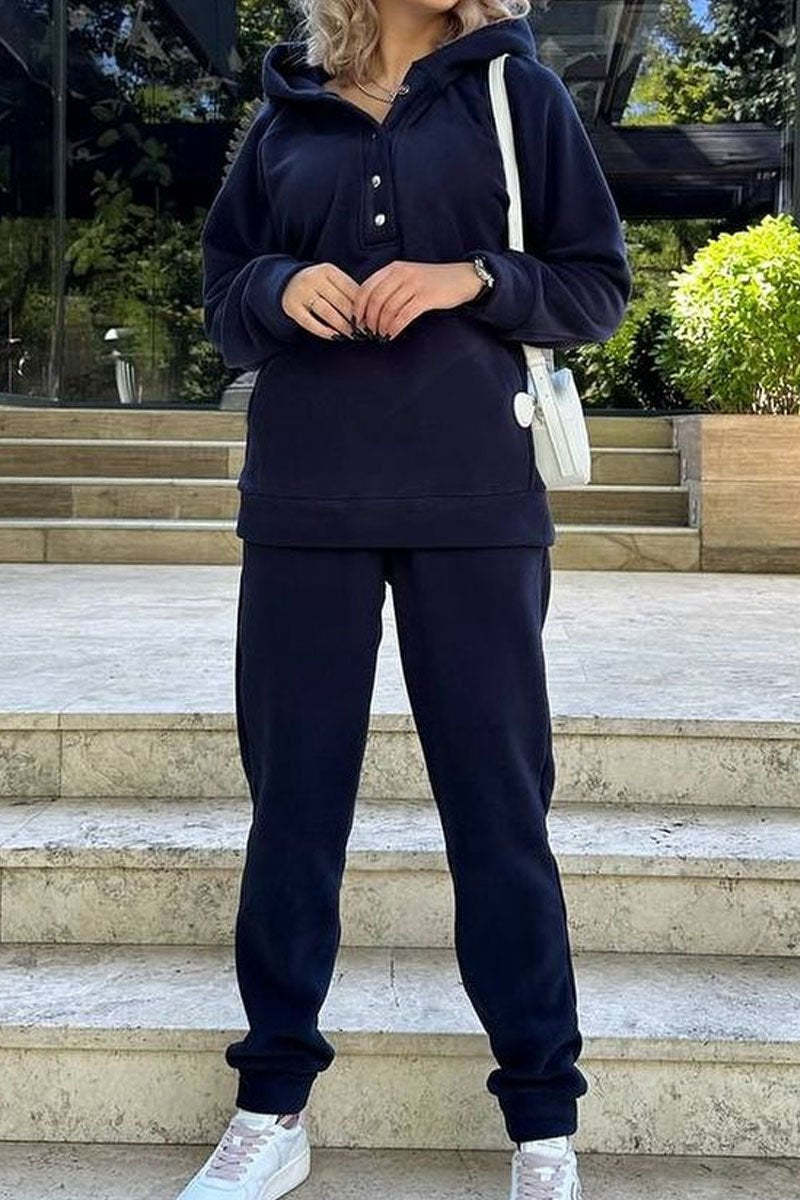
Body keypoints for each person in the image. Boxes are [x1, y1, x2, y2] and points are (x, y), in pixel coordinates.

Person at [178, 2, 631, 1197]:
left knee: (498, 814)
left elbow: (596, 289)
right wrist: (279, 286)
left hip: (475, 501)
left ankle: (542, 1124)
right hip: (302, 501)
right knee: (292, 813)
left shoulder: (517, 96)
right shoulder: (286, 113)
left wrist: (468, 276)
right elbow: (222, 299)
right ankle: (272, 1103)